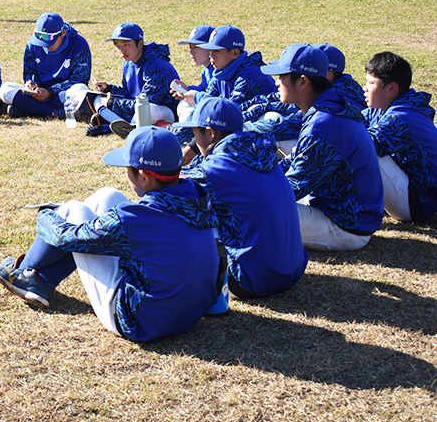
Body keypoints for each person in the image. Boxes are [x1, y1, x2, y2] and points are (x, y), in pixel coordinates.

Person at [0, 126, 221, 342]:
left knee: (72, 210)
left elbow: (67, 237)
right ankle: (41, 279)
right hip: (190, 313)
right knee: (107, 196)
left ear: (144, 177)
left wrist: (46, 213)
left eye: (128, 169)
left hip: (141, 322)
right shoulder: (198, 194)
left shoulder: (137, 218)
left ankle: (24, 272)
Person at [176, 97, 308, 298]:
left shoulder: (214, 170)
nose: (194, 140)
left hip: (249, 281)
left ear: (211, 133)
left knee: (189, 216)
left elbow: (169, 197)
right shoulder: (264, 152)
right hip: (293, 271)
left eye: (195, 133)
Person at [261, 43, 383, 251]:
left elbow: (292, 187)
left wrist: (243, 187)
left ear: (302, 82)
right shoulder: (324, 108)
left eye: (281, 76)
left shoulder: (323, 123)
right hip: (339, 211)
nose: (276, 83)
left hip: (346, 226)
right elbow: (294, 162)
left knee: (250, 209)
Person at [171, 24, 277, 157]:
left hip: (272, 132)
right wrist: (173, 141)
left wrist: (192, 148)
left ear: (234, 53)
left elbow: (226, 115)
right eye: (210, 50)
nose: (211, 55)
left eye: (216, 51)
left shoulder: (249, 74)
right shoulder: (220, 71)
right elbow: (205, 110)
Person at [362, 51, 437, 223]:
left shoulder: (401, 117)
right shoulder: (382, 109)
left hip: (419, 204)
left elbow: (357, 143)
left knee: (365, 149)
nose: (365, 87)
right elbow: (351, 121)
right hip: (409, 192)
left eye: (371, 82)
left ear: (391, 88)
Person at [89, 22, 179, 136]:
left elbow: (145, 103)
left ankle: (110, 122)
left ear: (140, 43)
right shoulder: (128, 62)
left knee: (147, 111)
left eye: (126, 45)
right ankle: (124, 124)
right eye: (117, 45)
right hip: (138, 107)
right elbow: (128, 93)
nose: (121, 50)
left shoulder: (156, 66)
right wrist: (108, 89)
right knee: (99, 97)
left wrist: (112, 104)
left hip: (162, 109)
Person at [0, 12, 91, 119]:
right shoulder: (32, 44)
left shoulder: (79, 44)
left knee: (81, 90)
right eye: (39, 37)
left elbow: (79, 79)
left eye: (49, 39)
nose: (44, 45)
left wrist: (50, 92)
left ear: (63, 33)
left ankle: (29, 109)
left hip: (62, 94)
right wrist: (31, 83)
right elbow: (30, 71)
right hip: (37, 93)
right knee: (5, 89)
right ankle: (56, 113)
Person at [171, 24, 215, 123]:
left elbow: (215, 99)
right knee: (183, 103)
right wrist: (187, 90)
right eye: (190, 47)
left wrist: (194, 95)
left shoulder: (219, 70)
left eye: (196, 47)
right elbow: (204, 88)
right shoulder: (206, 71)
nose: (191, 52)